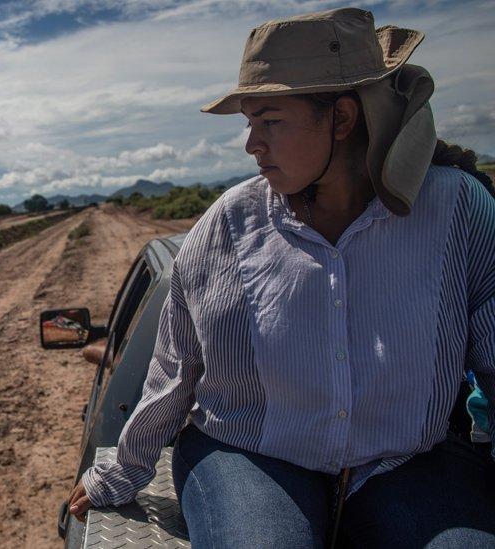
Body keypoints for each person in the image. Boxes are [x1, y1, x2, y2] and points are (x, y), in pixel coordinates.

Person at [68, 8, 495, 548]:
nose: (252, 144)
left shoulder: (456, 210)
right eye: (250, 124)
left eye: (269, 121)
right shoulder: (229, 224)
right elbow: (175, 366)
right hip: (250, 453)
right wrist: (121, 473)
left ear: (342, 118)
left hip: (405, 459)